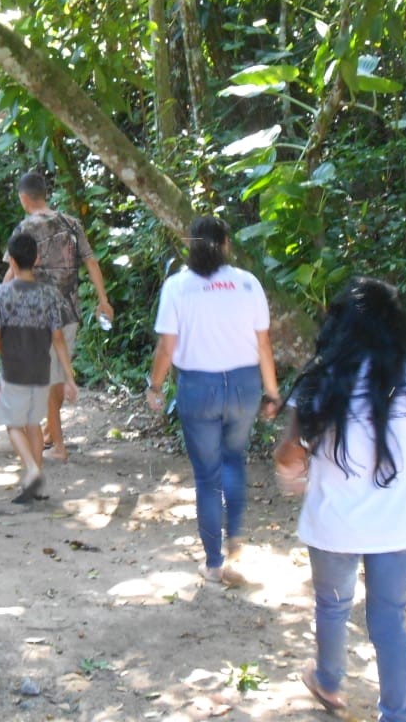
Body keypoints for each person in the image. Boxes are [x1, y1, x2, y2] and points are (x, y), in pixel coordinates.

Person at [273, 277, 406, 722]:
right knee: (389, 621)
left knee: (332, 605)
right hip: (400, 522)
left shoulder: (322, 376)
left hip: (334, 523)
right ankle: (396, 715)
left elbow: (290, 457)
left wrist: (292, 470)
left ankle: (329, 682)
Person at [145, 215, 281, 585]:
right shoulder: (248, 284)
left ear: (192, 245)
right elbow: (264, 345)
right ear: (226, 244)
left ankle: (213, 562)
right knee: (233, 459)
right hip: (243, 384)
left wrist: (155, 386)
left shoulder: (177, 287)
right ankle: (233, 530)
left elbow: (166, 347)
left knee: (208, 477)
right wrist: (273, 392)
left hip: (198, 388)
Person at [5, 171, 113, 461]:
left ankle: (60, 447)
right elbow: (91, 260)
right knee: (56, 375)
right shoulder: (70, 223)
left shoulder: (24, 228)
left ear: (24, 198)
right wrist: (103, 300)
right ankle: (52, 433)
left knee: (47, 378)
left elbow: (14, 269)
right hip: (69, 311)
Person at [0, 232, 78, 503]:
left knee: (13, 425)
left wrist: (10, 352)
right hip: (42, 370)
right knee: (34, 424)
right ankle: (35, 485)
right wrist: (69, 378)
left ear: (11, 260)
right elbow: (58, 339)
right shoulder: (49, 295)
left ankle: (34, 471)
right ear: (36, 258)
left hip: (13, 371)